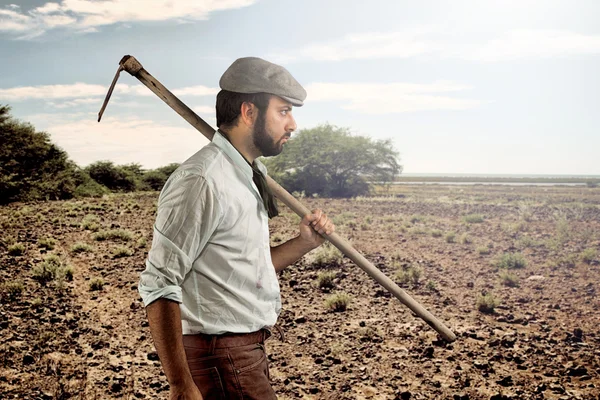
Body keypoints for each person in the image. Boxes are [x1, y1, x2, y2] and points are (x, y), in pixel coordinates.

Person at [138, 57, 335, 400]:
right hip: (221, 358)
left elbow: (245, 267)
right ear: (249, 112)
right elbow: (159, 283)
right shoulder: (203, 180)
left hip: (241, 356)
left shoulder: (244, 175)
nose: (293, 124)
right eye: (284, 111)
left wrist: (304, 243)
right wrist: (180, 385)